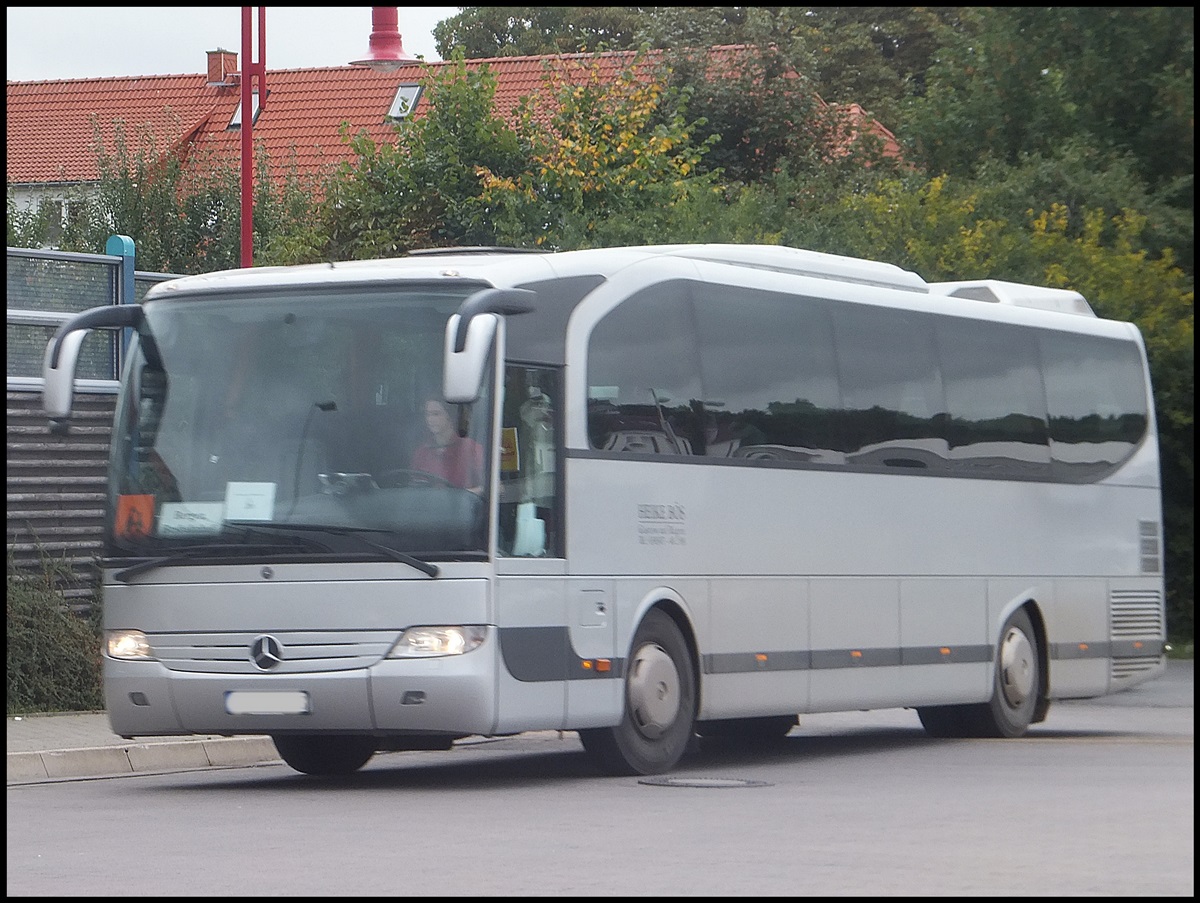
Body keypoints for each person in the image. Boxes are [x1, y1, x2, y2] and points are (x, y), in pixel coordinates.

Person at [411, 397, 485, 492]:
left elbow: (496, 488)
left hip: (464, 506)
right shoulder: (422, 453)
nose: (430, 419)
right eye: (427, 414)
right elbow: (414, 490)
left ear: (450, 415)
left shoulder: (472, 449)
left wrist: (463, 496)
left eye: (436, 414)